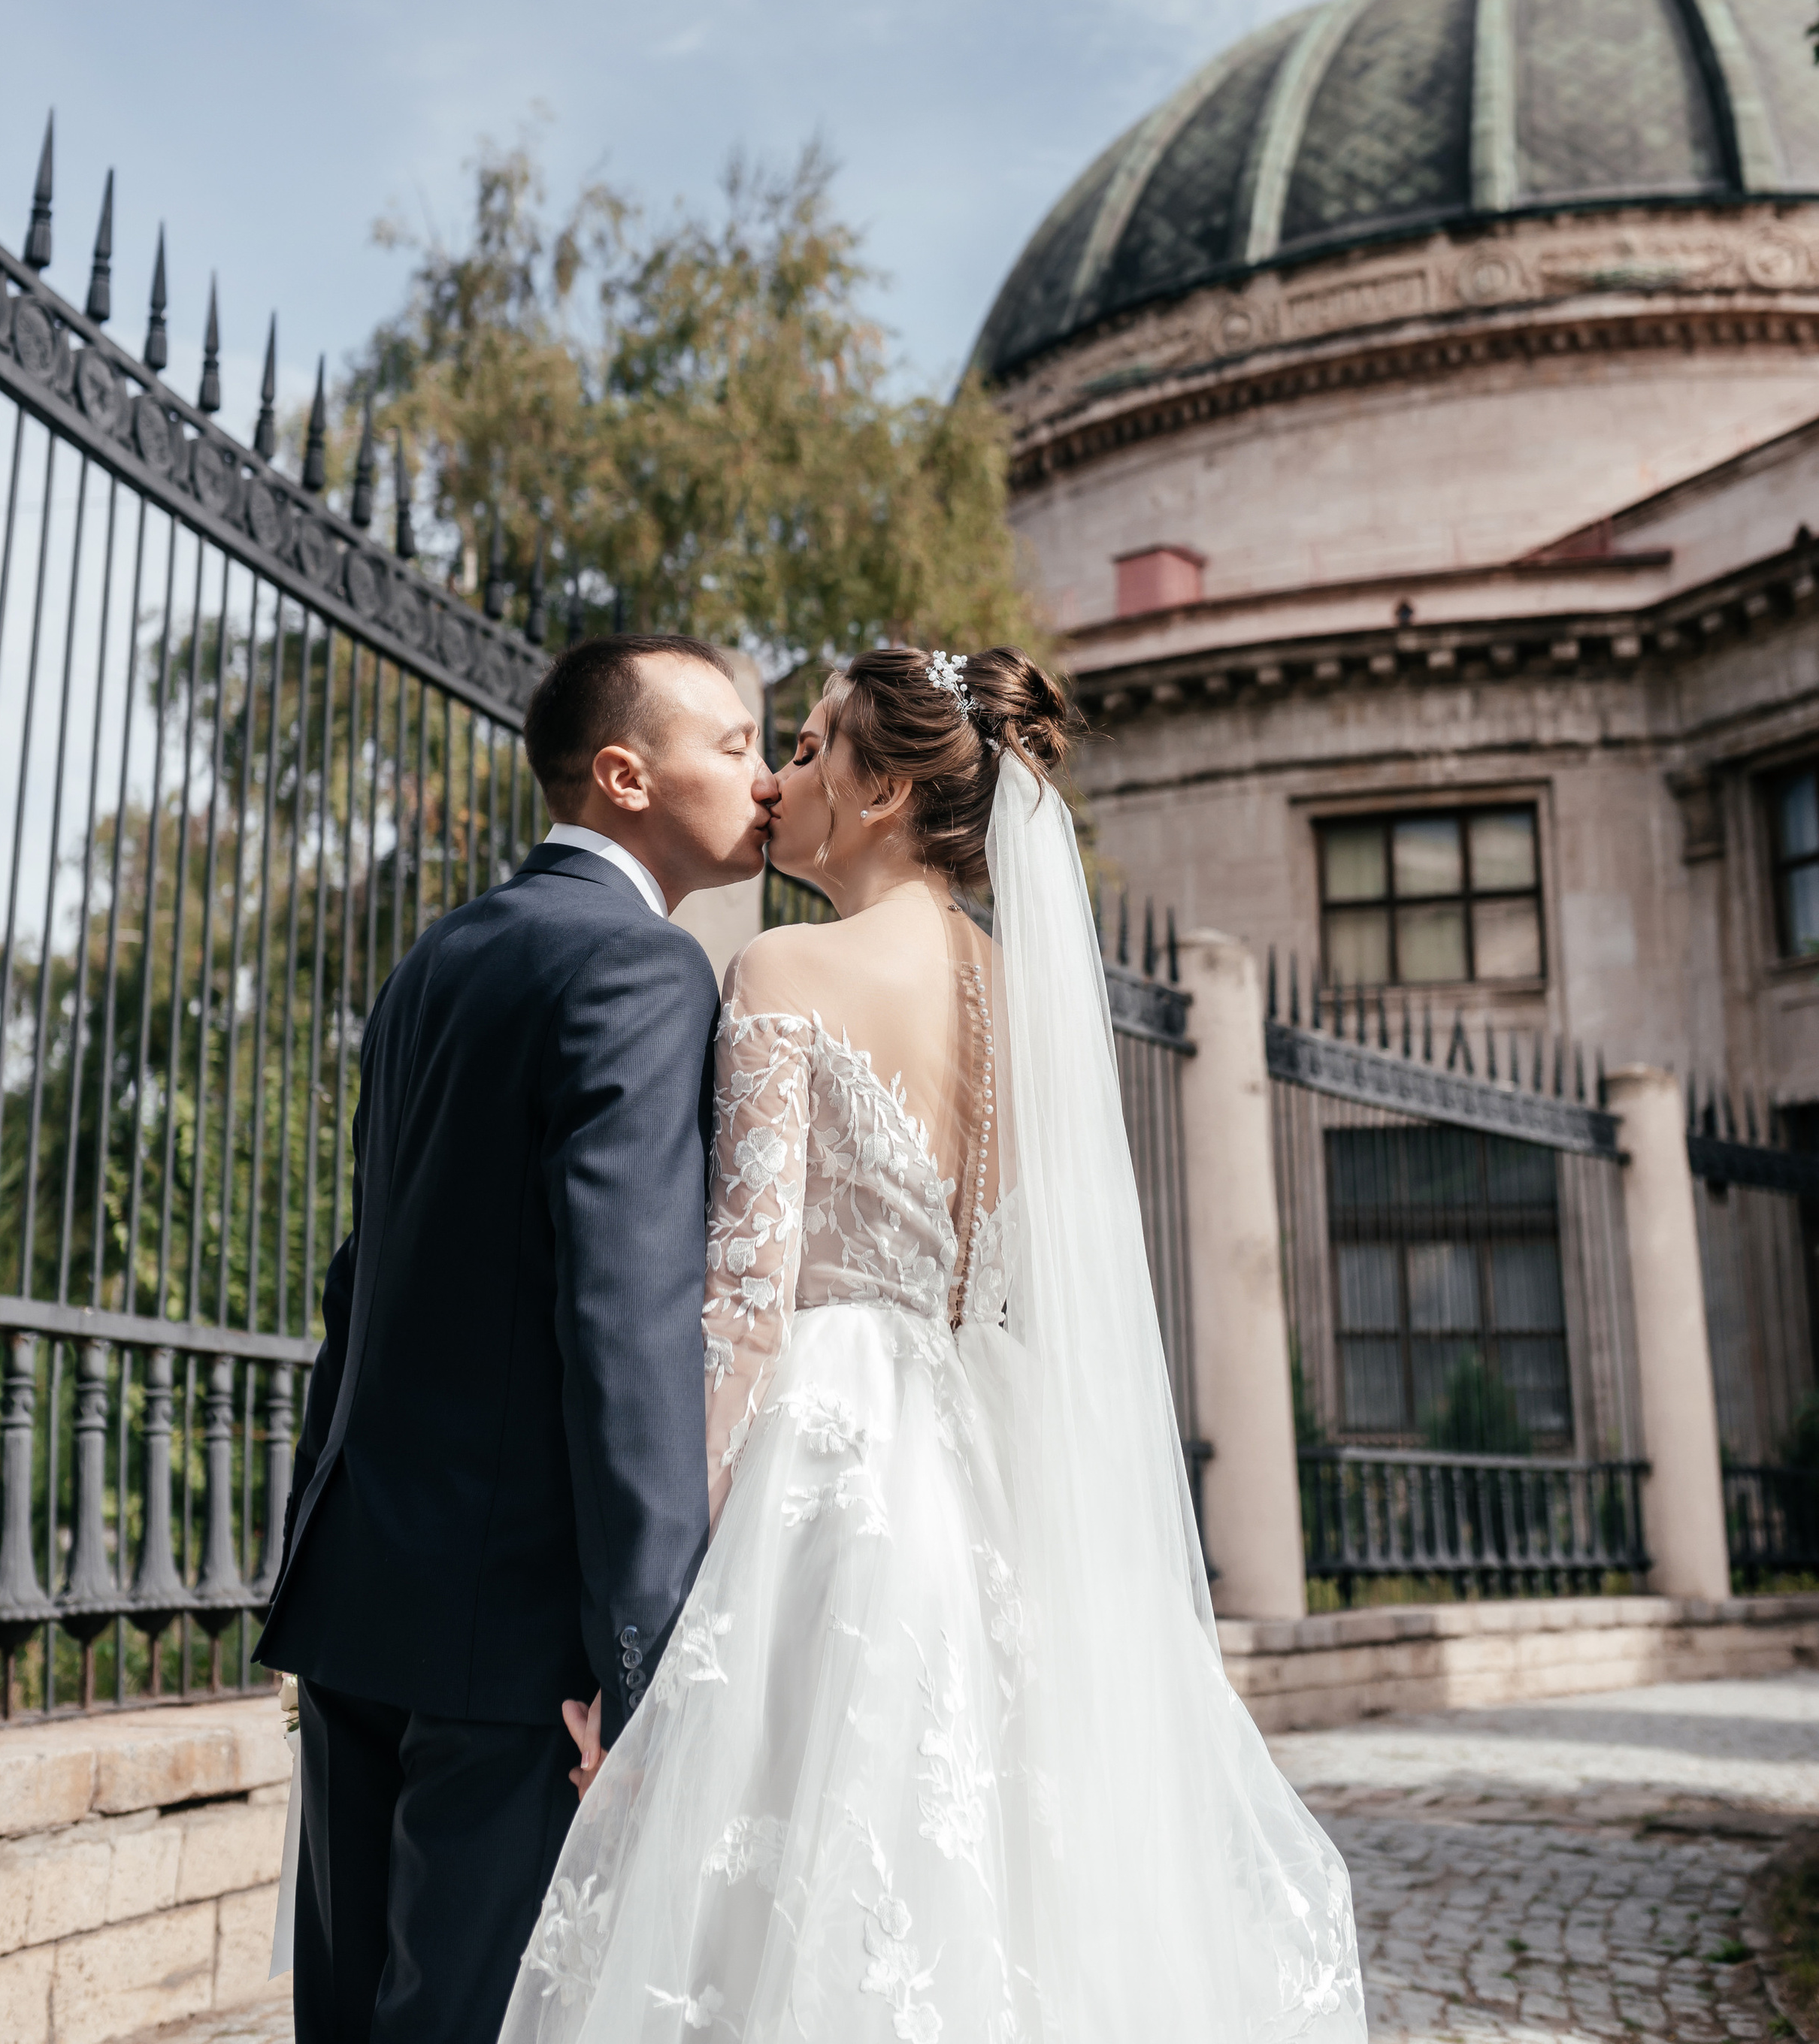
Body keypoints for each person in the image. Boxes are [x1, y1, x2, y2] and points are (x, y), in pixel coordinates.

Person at [501, 644, 1367, 2044]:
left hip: (828, 1469)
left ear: (886, 786)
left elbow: (744, 1304)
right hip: (977, 1479)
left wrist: (648, 1629)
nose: (782, 778)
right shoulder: (1030, 1010)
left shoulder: (786, 966)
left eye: (813, 744)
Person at [256, 633, 779, 2044]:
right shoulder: (645, 971)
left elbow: (365, 1277)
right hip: (515, 1641)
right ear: (624, 775)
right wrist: (643, 1658)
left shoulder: (441, 956)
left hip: (364, 1589)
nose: (768, 775)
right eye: (732, 744)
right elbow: (624, 1324)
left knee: (348, 2015)